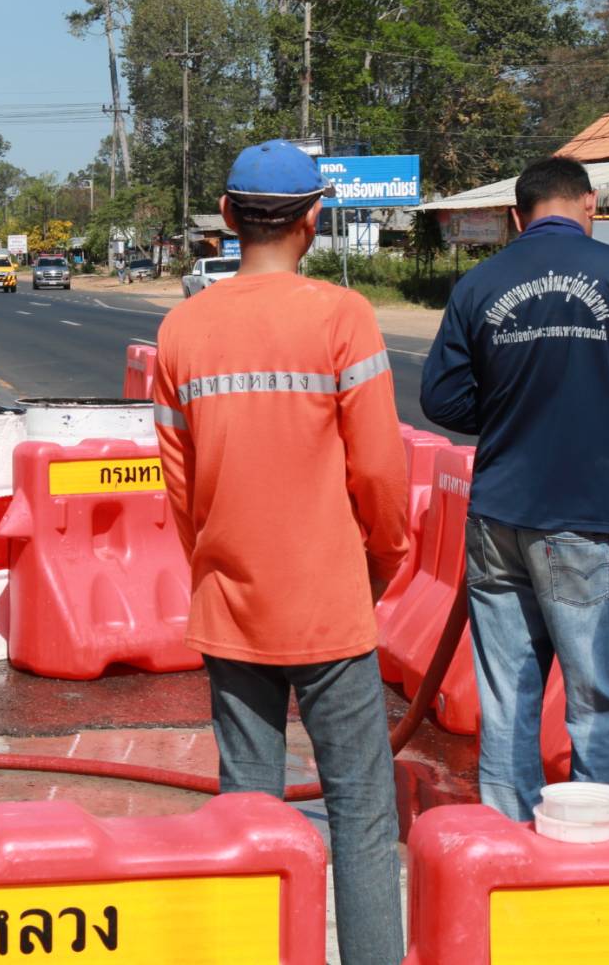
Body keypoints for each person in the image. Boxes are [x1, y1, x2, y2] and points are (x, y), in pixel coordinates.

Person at [152, 139, 409, 965]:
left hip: (231, 603)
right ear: (315, 218)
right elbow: (379, 470)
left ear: (227, 217)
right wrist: (383, 561)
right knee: (362, 813)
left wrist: (215, 565)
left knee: (249, 818)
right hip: (330, 601)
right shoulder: (343, 316)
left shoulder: (183, 327)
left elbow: (181, 488)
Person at [421, 156, 609, 821]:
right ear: (590, 204)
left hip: (495, 521)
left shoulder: (479, 284)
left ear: (516, 216)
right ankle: (592, 857)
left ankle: (508, 850)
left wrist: (516, 403)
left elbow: (441, 399)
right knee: (602, 705)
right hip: (585, 521)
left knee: (507, 701)